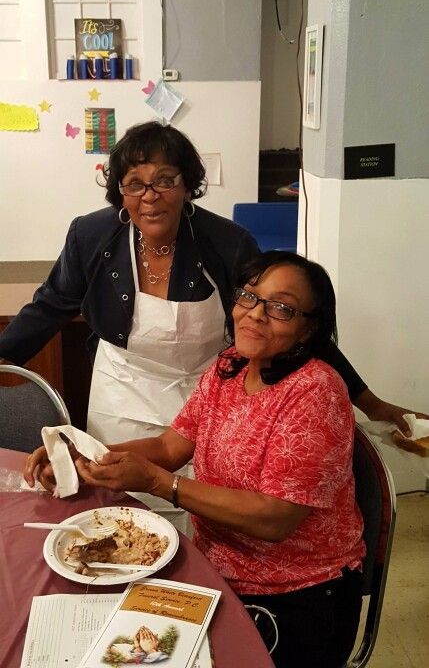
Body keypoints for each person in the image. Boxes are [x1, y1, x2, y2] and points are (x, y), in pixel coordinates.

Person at [2, 122, 421, 526]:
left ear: (187, 185)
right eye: (135, 184)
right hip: (123, 387)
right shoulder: (91, 236)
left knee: (204, 508)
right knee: (121, 505)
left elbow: (293, 325)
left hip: (203, 392)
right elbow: (49, 306)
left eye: (165, 181)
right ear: (120, 192)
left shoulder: (226, 243)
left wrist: (372, 404)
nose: (150, 196)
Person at [25, 250, 366, 668]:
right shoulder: (231, 366)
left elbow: (275, 519)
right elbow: (171, 447)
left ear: (308, 328)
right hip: (214, 569)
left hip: (294, 594)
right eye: (249, 296)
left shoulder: (316, 393)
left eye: (281, 307)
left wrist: (157, 482)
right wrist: (85, 452)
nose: (255, 314)